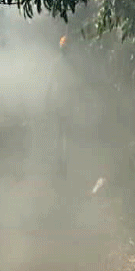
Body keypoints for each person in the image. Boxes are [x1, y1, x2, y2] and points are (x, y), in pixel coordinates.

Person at [44, 34, 83, 179]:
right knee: (62, 132)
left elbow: (74, 85)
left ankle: (63, 161)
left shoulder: (65, 64)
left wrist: (48, 98)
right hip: (62, 101)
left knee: (63, 132)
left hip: (64, 101)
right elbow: (52, 83)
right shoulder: (63, 64)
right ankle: (62, 161)